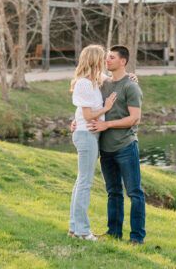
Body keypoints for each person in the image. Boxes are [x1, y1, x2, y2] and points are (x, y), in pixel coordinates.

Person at [89, 45, 146, 244]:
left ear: (123, 61)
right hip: (106, 149)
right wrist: (76, 120)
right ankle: (114, 233)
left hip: (125, 147)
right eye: (106, 57)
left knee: (134, 193)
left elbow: (135, 118)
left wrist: (107, 124)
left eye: (111, 57)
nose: (107, 60)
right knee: (113, 193)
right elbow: (89, 106)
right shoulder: (103, 84)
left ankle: (137, 237)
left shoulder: (131, 86)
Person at [68, 44, 118, 241]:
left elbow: (115, 78)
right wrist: (106, 108)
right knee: (85, 183)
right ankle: (82, 231)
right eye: (102, 58)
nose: (105, 62)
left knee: (81, 182)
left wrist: (131, 77)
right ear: (94, 60)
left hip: (89, 135)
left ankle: (74, 229)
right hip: (86, 135)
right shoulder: (83, 84)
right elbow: (88, 115)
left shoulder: (95, 81)